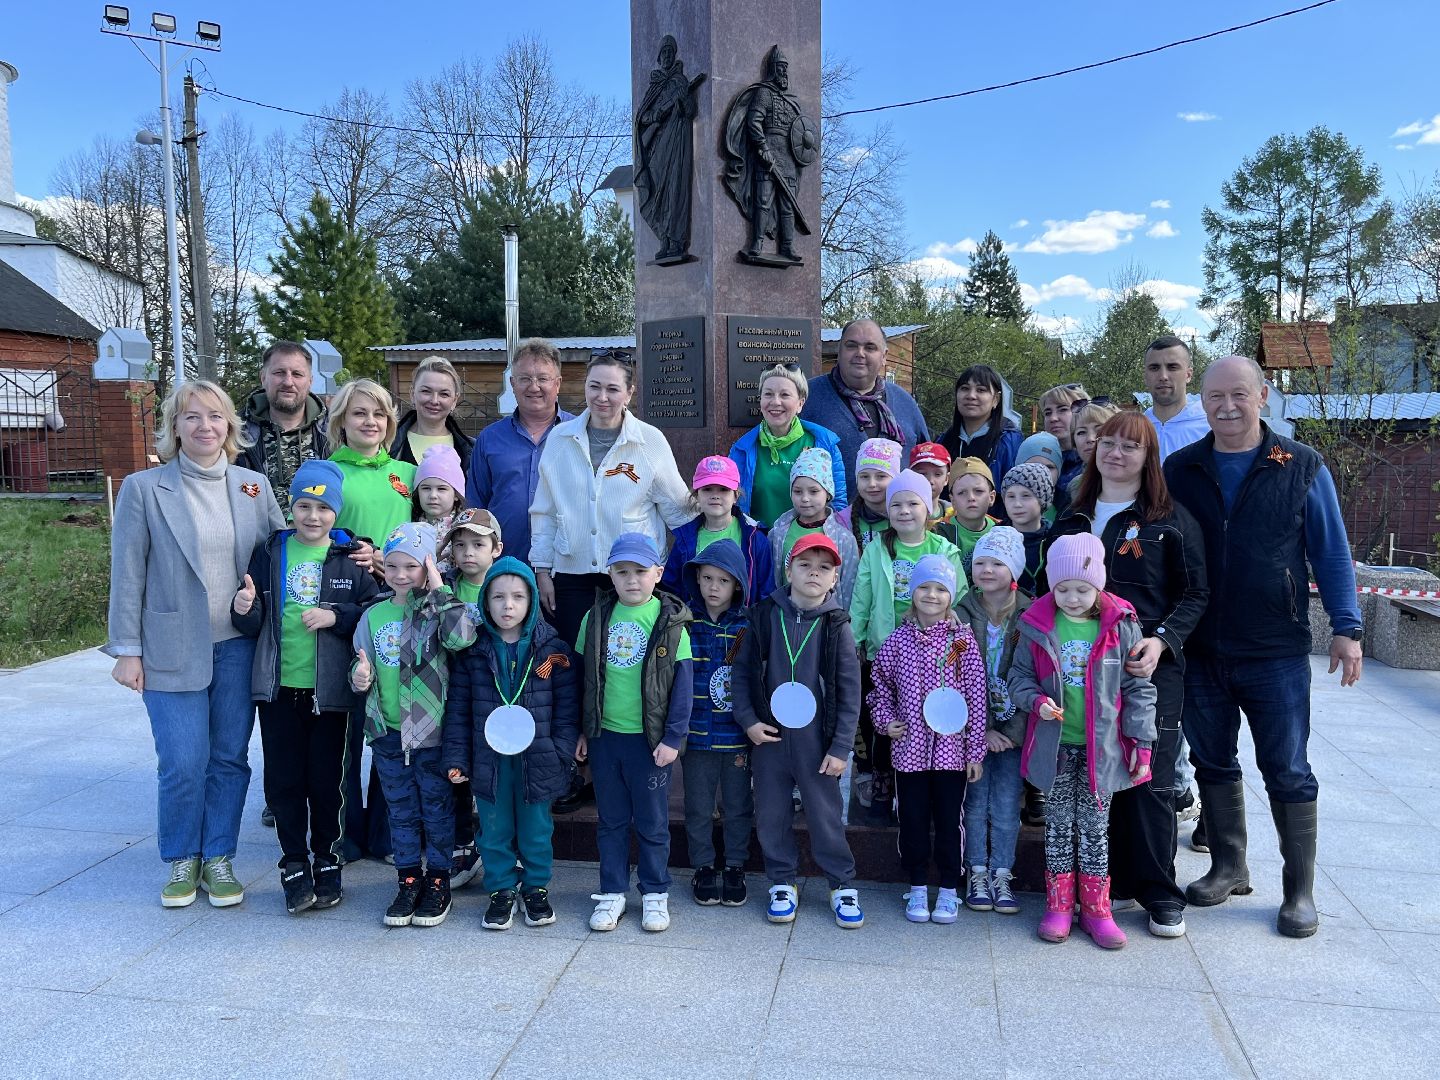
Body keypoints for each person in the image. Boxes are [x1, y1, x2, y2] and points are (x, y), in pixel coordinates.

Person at [1164, 355, 1363, 939]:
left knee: (1287, 768)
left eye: (1239, 395)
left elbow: (1329, 550)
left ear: (1264, 396)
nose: (1227, 406)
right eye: (1215, 396)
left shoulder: (1299, 465)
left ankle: (1298, 891)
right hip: (1199, 646)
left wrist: (1347, 628)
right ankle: (1228, 867)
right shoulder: (1181, 468)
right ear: (1202, 402)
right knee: (1212, 759)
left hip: (1274, 647)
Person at [105, 380, 284, 908]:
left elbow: (285, 551)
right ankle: (183, 857)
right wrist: (126, 650)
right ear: (175, 427)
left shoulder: (253, 486)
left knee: (229, 758)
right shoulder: (143, 488)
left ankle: (219, 855)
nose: (205, 426)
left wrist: (350, 555)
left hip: (237, 648)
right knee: (183, 760)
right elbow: (127, 575)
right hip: (168, 647)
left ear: (230, 425)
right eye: (192, 417)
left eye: (215, 416)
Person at [1046, 413, 1209, 938]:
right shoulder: (1072, 515)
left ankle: (1159, 890)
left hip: (1145, 666)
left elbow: (1195, 593)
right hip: (1079, 672)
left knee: (1148, 776)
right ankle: (1101, 889)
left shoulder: (1170, 519)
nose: (1116, 453)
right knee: (1091, 779)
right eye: (1107, 443)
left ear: (1148, 456)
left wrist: (1162, 641)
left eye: (1130, 446)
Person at [230, 459, 380, 914]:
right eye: (304, 505)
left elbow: (373, 609)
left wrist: (337, 617)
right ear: (290, 507)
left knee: (327, 782)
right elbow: (251, 619)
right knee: (284, 783)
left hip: (331, 696)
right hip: (278, 692)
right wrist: (243, 607)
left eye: (323, 507)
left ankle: (327, 861)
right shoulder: (270, 552)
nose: (313, 516)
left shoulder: (349, 558)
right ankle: (293, 864)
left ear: (336, 512)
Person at [1010, 533, 1157, 949]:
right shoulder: (1037, 625)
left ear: (1100, 586)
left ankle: (1096, 908)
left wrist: (1141, 743)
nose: (1072, 598)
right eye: (1062, 589)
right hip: (1055, 747)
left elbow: (1139, 690)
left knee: (1094, 827)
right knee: (1058, 825)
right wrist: (1036, 701)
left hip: (1104, 751)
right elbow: (1018, 677)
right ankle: (1058, 904)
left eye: (1082, 589)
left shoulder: (1120, 625)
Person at [734, 533, 864, 929]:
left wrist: (841, 746)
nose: (813, 573)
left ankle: (841, 883)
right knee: (771, 812)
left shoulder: (836, 625)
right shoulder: (762, 616)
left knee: (825, 815)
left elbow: (848, 691)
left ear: (834, 579)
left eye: (824, 568)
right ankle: (781, 881)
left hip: (816, 743)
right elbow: (741, 675)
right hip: (769, 739)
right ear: (788, 569)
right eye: (805, 565)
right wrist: (748, 721)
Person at [443, 557, 580, 931]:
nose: (508, 606)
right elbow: (458, 709)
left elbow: (568, 709)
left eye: (518, 597)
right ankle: (501, 889)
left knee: (536, 827)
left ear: (532, 600)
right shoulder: (472, 652)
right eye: (499, 597)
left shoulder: (553, 650)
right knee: (493, 826)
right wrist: (457, 756)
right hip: (489, 759)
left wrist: (561, 751)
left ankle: (535, 888)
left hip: (537, 757)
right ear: (485, 601)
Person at [350, 523, 476, 928]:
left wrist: (440, 590)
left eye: (411, 567)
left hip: (432, 737)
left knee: (437, 812)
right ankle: (408, 881)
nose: (401, 575)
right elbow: (359, 660)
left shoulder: (438, 610)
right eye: (392, 566)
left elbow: (463, 639)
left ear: (427, 568)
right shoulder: (373, 615)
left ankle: (438, 881)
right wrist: (359, 676)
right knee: (400, 813)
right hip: (387, 735)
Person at [530, 350, 693, 651]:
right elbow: (545, 512)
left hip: (634, 578)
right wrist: (542, 571)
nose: (601, 396)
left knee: (625, 661)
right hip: (572, 576)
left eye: (613, 389)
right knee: (576, 663)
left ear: (629, 393)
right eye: (594, 386)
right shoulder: (559, 439)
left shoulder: (649, 441)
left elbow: (679, 511)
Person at [574, 533, 694, 934]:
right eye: (622, 572)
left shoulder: (670, 622)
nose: (631, 580)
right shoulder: (596, 618)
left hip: (649, 742)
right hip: (606, 737)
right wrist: (582, 730)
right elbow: (583, 678)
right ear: (610, 573)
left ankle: (655, 893)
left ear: (658, 573)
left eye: (641, 572)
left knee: (652, 820)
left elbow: (682, 687)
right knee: (610, 819)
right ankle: (612, 892)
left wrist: (673, 738)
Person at [867, 555, 988, 924]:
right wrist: (886, 722)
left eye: (940, 589)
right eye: (924, 587)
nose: (931, 595)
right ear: (911, 591)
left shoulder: (962, 641)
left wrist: (975, 750)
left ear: (951, 596)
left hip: (952, 752)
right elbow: (879, 689)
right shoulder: (897, 641)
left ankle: (949, 888)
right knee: (913, 818)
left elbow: (976, 694)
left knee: (950, 820)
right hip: (910, 752)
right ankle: (917, 885)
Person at [328, 377, 417, 862]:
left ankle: (389, 833)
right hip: (347, 604)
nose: (370, 423)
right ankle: (345, 833)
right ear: (342, 420)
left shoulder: (405, 472)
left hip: (399, 605)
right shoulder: (327, 471)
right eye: (360, 413)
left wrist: (392, 561)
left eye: (379, 414)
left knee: (394, 719)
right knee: (347, 723)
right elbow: (315, 527)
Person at [851, 469, 967, 824]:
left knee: (926, 719)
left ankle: (924, 788)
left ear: (929, 506)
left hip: (932, 656)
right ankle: (885, 783)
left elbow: (958, 595)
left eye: (913, 503)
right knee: (885, 722)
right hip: (886, 652)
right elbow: (862, 597)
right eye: (896, 503)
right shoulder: (876, 548)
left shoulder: (943, 548)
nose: (904, 511)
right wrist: (854, 639)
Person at [958, 527, 1033, 914]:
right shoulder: (960, 613)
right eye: (981, 562)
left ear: (1014, 568)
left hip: (1015, 730)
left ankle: (1002, 872)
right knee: (974, 804)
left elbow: (1037, 676)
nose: (986, 570)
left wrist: (1013, 731)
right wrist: (979, 730)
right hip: (971, 731)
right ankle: (976, 871)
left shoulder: (1031, 613)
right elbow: (951, 675)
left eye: (997, 563)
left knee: (1006, 804)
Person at [678, 539, 755, 908]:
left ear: (736, 585)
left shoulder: (748, 626)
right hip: (695, 736)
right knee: (697, 806)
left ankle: (735, 865)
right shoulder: (684, 623)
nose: (713, 587)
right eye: (706, 578)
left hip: (737, 736)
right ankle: (704, 866)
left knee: (738, 805)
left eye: (722, 581)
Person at [466, 339, 576, 565]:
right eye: (525, 379)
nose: (534, 387)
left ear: (558, 383)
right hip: (503, 564)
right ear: (512, 383)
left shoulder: (579, 435)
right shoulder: (490, 438)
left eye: (543, 379)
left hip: (568, 566)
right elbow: (477, 507)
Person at [801, 319, 930, 495]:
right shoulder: (807, 398)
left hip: (900, 518)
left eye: (870, 347)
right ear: (839, 352)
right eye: (851, 345)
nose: (860, 353)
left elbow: (927, 464)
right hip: (831, 520)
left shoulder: (904, 402)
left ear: (884, 356)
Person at [729, 362, 848, 528]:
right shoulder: (742, 450)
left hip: (810, 546)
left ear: (800, 403)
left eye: (785, 395)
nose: (775, 402)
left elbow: (838, 505)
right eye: (768, 394)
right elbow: (733, 506)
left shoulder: (824, 444)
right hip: (759, 546)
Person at [661, 454, 773, 610]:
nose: (715, 496)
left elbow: (766, 591)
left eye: (723, 489)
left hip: (743, 629)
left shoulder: (754, 539)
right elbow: (671, 589)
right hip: (695, 627)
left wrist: (757, 628)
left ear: (736, 495)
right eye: (707, 489)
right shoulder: (684, 540)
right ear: (697, 495)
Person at [238, 340, 329, 516]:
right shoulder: (235, 432)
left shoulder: (335, 431)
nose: (288, 382)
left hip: (320, 541)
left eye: (297, 374)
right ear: (263, 378)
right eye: (279, 373)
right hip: (257, 541)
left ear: (310, 381)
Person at [767, 446, 860, 606]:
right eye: (797, 491)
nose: (805, 498)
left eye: (813, 491)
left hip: (826, 621)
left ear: (828, 492)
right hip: (785, 616)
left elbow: (849, 588)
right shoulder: (778, 533)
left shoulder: (843, 538)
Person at [936, 365, 1023, 488]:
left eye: (981, 390)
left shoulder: (1009, 441)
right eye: (965, 388)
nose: (971, 396)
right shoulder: (943, 442)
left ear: (996, 399)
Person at [390, 355, 475, 478]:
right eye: (426, 391)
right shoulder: (386, 444)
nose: (434, 400)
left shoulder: (472, 450)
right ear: (412, 394)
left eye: (444, 394)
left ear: (455, 400)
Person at [1143, 335, 1209, 460]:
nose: (1163, 376)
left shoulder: (1211, 428)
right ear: (1145, 376)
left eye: (1172, 367)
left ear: (1188, 375)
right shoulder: (1135, 429)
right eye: (1154, 368)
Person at [834, 437, 901, 552]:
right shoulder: (840, 522)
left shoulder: (906, 517)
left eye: (881, 476)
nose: (872, 484)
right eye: (864, 476)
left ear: (895, 479)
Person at [998, 463, 1054, 596]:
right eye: (1011, 496)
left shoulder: (1055, 539)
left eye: (1026, 496)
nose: (1017, 504)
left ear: (1042, 500)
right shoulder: (996, 540)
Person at [937, 457, 997, 577]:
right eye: (962, 493)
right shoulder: (939, 534)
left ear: (991, 497)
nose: (971, 498)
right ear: (953, 501)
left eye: (978, 491)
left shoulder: (1001, 531)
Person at [411, 445, 467, 561]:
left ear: (456, 494)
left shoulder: (465, 528)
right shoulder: (410, 527)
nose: (433, 495)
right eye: (426, 488)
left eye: (441, 489)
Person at [1038, 383, 1090, 496]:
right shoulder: (1038, 461)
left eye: (1062, 410)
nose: (1053, 418)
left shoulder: (1099, 464)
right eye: (1048, 413)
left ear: (1083, 412)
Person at [1015, 431, 1065, 521]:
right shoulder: (1003, 506)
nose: (1041, 473)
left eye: (1049, 467)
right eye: (1033, 466)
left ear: (1059, 472)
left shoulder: (1069, 508)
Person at [909, 442, 952, 520]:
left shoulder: (957, 516)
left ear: (946, 478)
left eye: (938, 474)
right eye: (922, 474)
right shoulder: (898, 515)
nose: (930, 481)